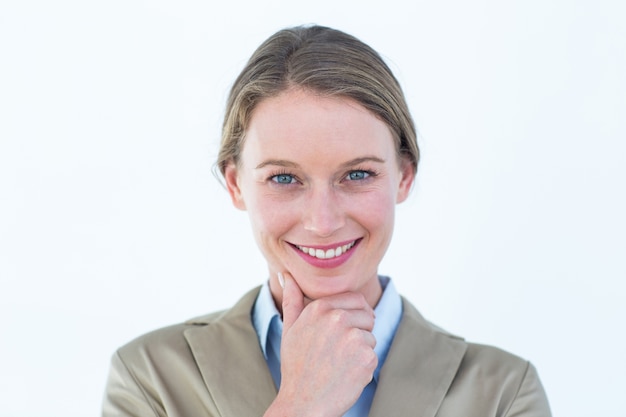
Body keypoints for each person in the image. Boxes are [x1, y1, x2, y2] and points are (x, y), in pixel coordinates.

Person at [102, 25, 551, 417]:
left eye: (357, 174)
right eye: (283, 177)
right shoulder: (150, 377)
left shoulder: (503, 393)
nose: (322, 221)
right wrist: (300, 404)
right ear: (237, 185)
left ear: (405, 176)